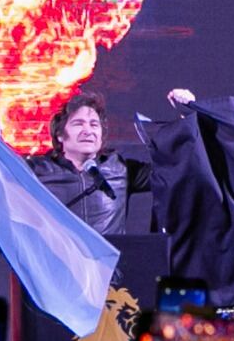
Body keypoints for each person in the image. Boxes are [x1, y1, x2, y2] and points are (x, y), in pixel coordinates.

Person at [28, 91, 151, 236]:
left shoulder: (120, 169)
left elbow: (176, 173)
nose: (88, 131)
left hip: (109, 258)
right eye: (78, 124)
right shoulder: (37, 171)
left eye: (94, 125)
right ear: (60, 135)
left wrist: (185, 119)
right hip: (54, 258)